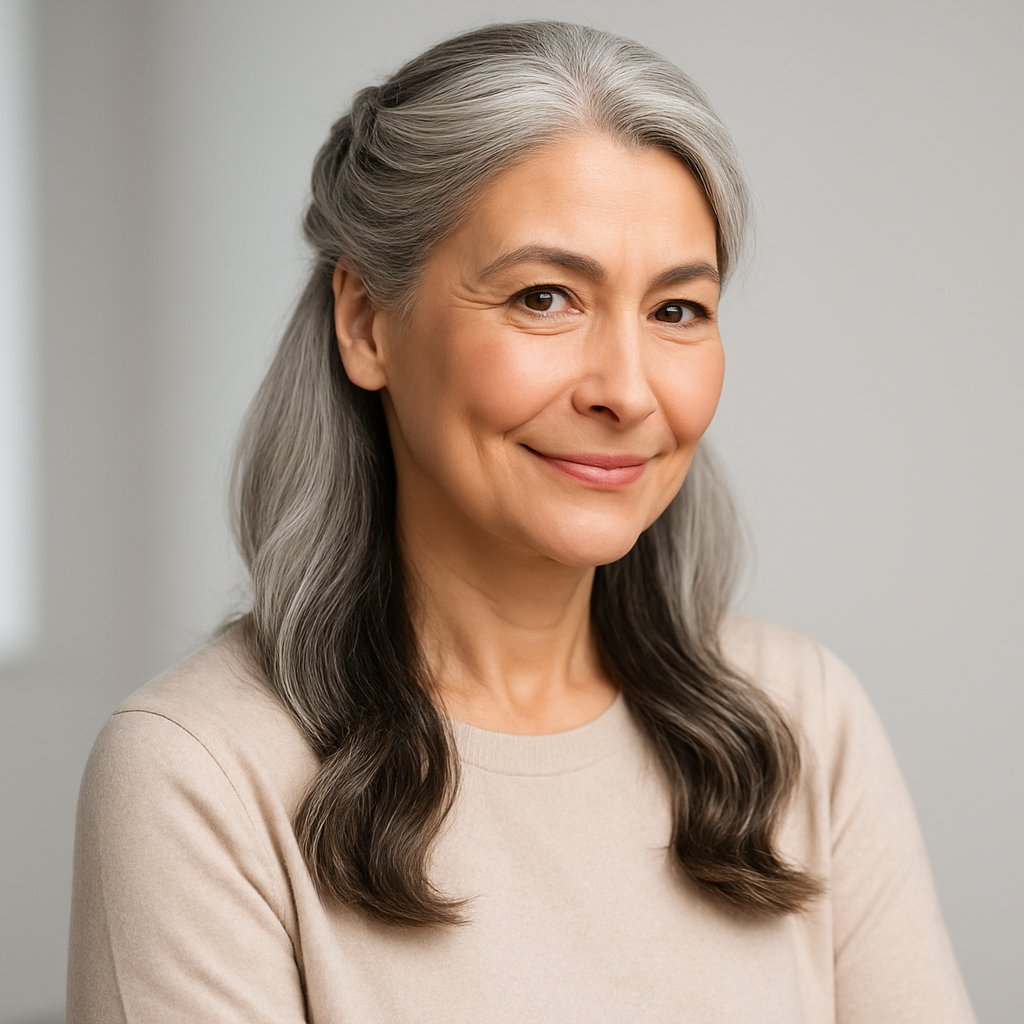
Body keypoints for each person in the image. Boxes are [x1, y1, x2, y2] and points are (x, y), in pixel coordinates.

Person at [66, 19, 977, 1023]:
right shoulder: (197, 773)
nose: (627, 391)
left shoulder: (803, 719)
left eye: (676, 310)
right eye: (545, 297)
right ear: (365, 323)